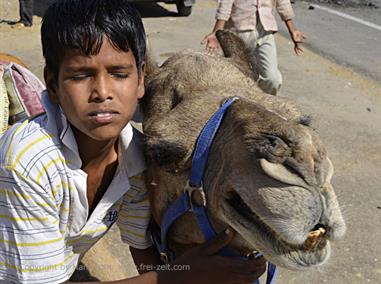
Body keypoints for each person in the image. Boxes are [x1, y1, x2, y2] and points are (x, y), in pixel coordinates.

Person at [0, 0, 266, 283]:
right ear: (53, 85)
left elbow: (141, 247)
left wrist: (191, 271)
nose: (102, 92)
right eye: (81, 76)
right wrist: (179, 277)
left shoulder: (134, 155)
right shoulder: (28, 163)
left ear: (141, 80)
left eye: (118, 74)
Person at [202, 0, 306, 96]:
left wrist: (293, 30)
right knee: (236, 77)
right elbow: (226, 3)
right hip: (238, 31)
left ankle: (261, 103)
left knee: (272, 79)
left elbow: (283, 3)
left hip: (265, 32)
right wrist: (217, 31)